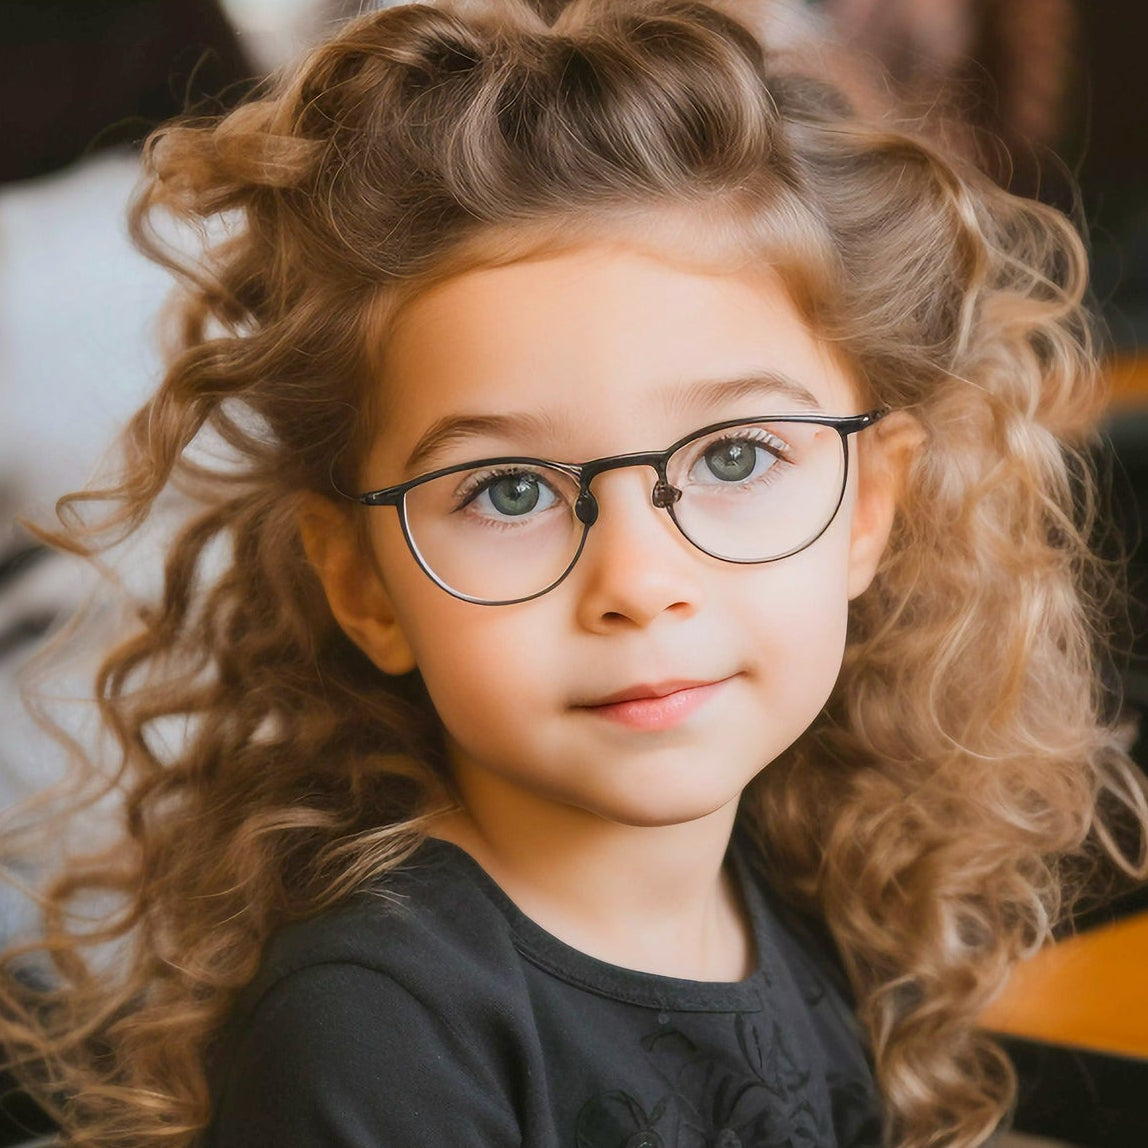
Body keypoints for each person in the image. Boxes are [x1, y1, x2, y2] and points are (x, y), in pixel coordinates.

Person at [1, 1, 1146, 1145]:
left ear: (867, 507)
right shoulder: (374, 1033)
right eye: (508, 490)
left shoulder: (798, 879)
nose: (638, 581)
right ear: (359, 581)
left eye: (734, 456)